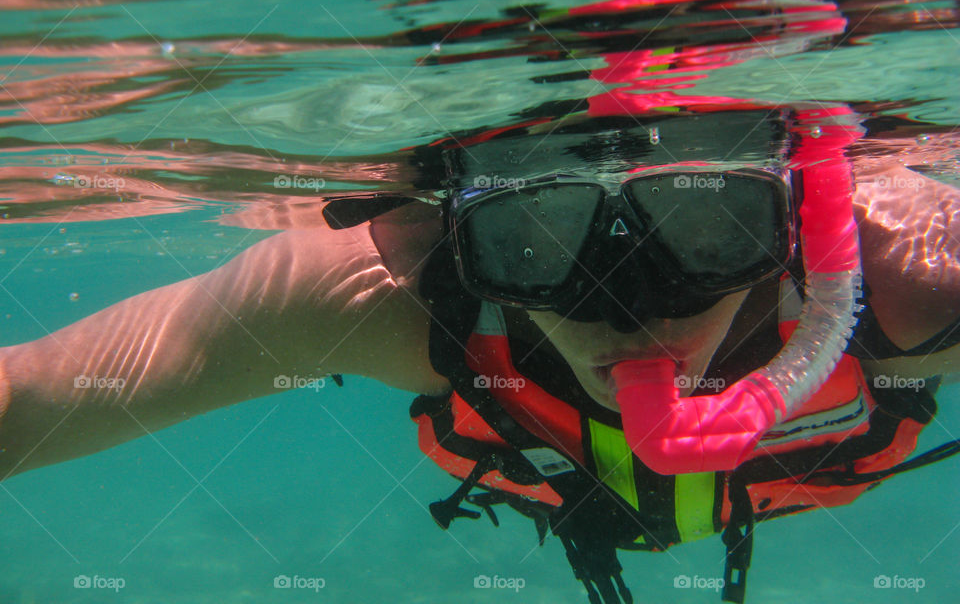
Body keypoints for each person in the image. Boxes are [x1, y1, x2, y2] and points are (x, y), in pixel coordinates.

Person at [0, 107, 958, 603]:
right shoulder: (387, 296)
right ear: (462, 243)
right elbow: (30, 400)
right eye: (533, 239)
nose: (626, 309)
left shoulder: (917, 275)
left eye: (705, 226)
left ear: (796, 220)